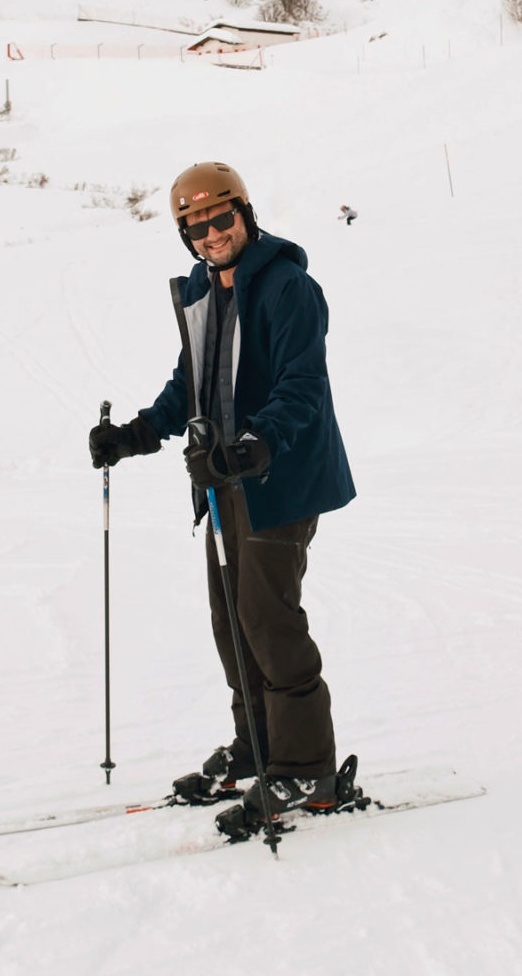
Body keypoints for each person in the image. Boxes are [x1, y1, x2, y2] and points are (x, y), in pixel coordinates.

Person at [89, 160, 355, 838]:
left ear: (244, 214)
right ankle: (258, 748)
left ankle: (305, 768)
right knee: (231, 623)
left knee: (270, 621)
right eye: (195, 228)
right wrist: (135, 434)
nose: (210, 236)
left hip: (279, 479)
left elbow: (302, 387)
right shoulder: (203, 292)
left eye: (219, 220)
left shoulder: (289, 287)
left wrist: (255, 443)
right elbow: (190, 384)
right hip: (222, 482)